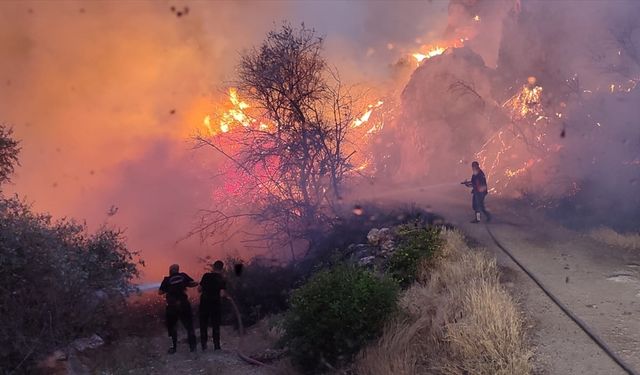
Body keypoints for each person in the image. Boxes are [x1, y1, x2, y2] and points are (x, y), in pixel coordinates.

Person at [158, 264, 198, 353]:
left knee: (172, 327)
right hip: (184, 304)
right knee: (189, 326)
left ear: (170, 270)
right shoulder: (183, 276)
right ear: (178, 270)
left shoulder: (167, 279)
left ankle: (174, 347)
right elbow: (193, 284)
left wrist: (168, 289)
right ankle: (193, 347)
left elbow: (160, 292)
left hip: (172, 306)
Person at [199, 260, 229, 351]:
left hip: (204, 303)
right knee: (215, 324)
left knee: (203, 324)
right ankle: (216, 346)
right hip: (215, 304)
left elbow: (199, 289)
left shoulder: (206, 276)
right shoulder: (222, 278)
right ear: (222, 268)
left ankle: (204, 345)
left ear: (213, 267)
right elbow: (222, 294)